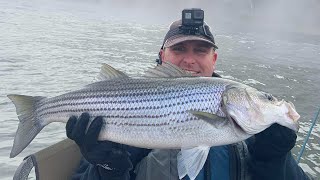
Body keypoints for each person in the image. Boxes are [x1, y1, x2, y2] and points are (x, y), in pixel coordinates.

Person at [66, 9, 310, 180]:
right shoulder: (120, 114)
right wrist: (107, 168)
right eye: (179, 49)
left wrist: (275, 159)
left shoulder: (256, 133)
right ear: (163, 56)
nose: (189, 59)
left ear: (213, 59)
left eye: (201, 51)